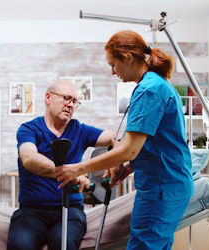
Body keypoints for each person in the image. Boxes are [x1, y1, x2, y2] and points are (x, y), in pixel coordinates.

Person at [54, 30, 194, 250]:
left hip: (162, 187)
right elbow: (150, 144)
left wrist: (78, 169)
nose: (112, 72)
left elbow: (129, 150)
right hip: (167, 184)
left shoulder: (149, 90)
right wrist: (126, 169)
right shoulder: (154, 84)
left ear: (127, 58)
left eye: (113, 64)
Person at [7, 79, 114, 250]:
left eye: (74, 101)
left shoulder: (80, 130)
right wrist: (69, 174)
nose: (70, 105)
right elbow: (29, 157)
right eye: (66, 98)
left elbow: (116, 138)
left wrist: (117, 159)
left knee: (62, 243)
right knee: (20, 244)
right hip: (31, 211)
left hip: (71, 210)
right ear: (48, 97)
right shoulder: (29, 129)